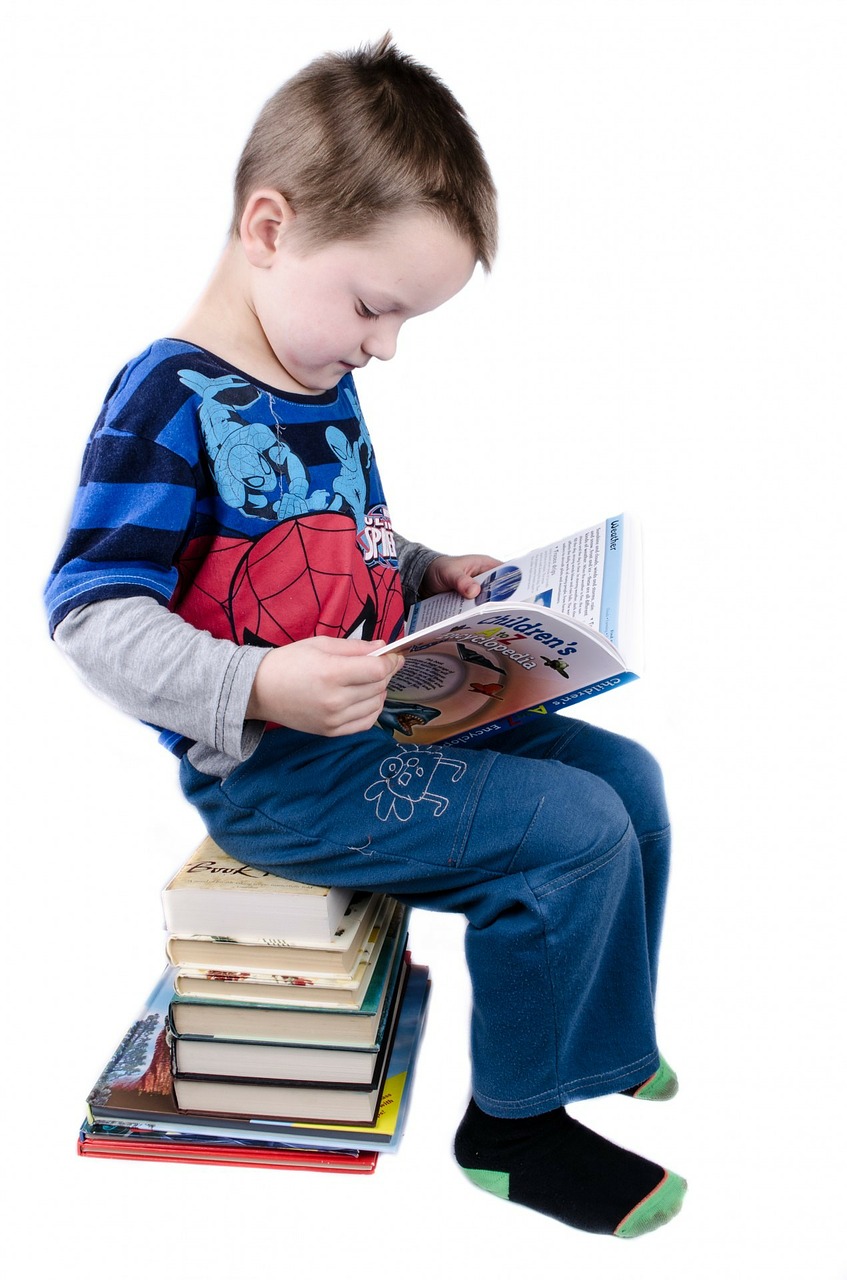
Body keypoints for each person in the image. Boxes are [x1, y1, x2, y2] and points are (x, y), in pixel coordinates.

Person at [45, 35, 686, 1238]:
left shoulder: (311, 367)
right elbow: (88, 613)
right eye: (376, 306)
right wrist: (257, 682)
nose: (383, 345)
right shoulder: (163, 403)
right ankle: (511, 1126)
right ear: (270, 227)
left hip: (392, 711)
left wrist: (428, 567)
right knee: (569, 833)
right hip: (285, 782)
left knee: (630, 784)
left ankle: (595, 1039)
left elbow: (336, 540)